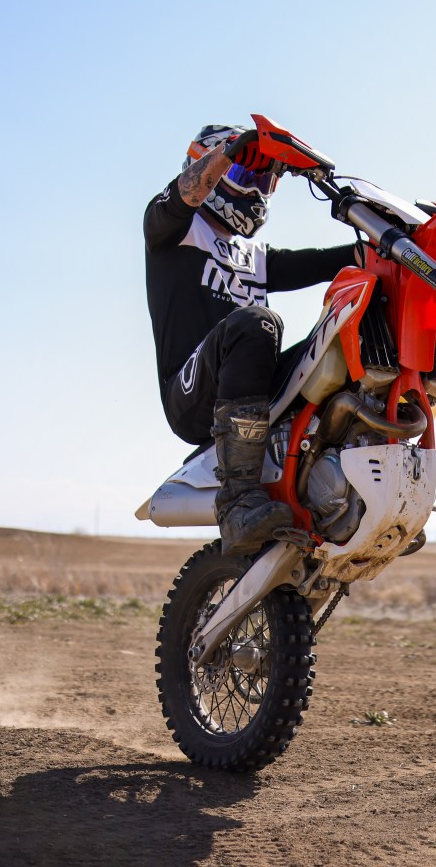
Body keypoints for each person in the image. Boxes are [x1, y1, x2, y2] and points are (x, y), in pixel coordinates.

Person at [144, 122, 355, 556]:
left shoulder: (253, 258)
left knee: (342, 336)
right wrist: (233, 151)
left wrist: (395, 237)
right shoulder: (171, 230)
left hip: (248, 388)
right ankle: (237, 501)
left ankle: (345, 486)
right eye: (245, 176)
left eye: (263, 181)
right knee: (257, 321)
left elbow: (332, 260)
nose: (255, 192)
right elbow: (181, 196)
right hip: (191, 396)